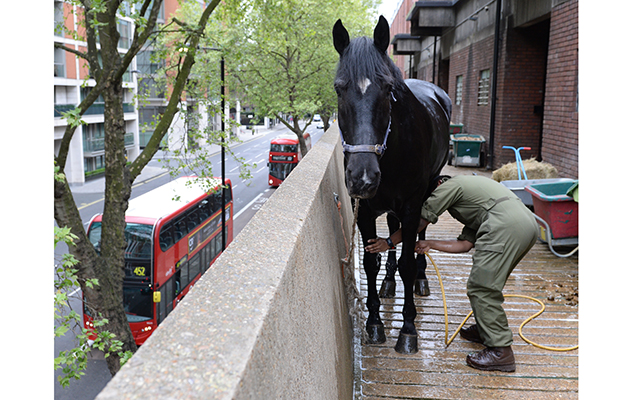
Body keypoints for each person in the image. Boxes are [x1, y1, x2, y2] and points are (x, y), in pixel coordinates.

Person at [365, 175, 538, 372]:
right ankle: (486, 330)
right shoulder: (473, 195)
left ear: (437, 186)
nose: (432, 200)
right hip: (526, 225)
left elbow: (419, 221)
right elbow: (465, 245)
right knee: (488, 283)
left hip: (504, 227)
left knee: (482, 288)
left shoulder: (449, 185)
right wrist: (430, 244)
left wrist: (388, 243)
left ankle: (501, 351)